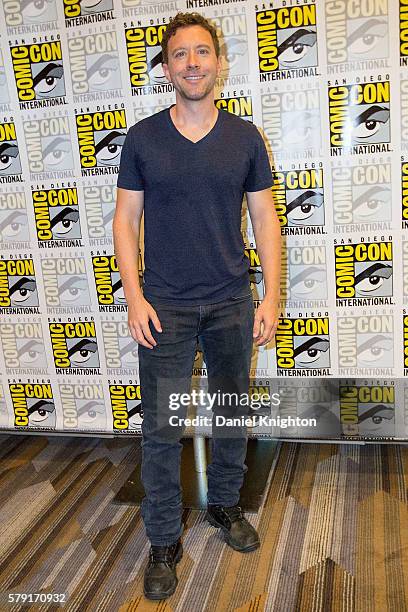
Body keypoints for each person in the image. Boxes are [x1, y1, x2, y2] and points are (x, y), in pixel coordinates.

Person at [113, 12, 281, 601]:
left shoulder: (244, 137)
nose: (192, 63)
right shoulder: (142, 138)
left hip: (233, 302)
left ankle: (226, 507)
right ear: (166, 67)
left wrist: (273, 294)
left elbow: (264, 219)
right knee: (161, 430)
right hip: (165, 309)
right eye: (180, 54)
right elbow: (125, 221)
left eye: (201, 52)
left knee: (231, 414)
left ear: (218, 61)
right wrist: (133, 296)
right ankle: (162, 538)